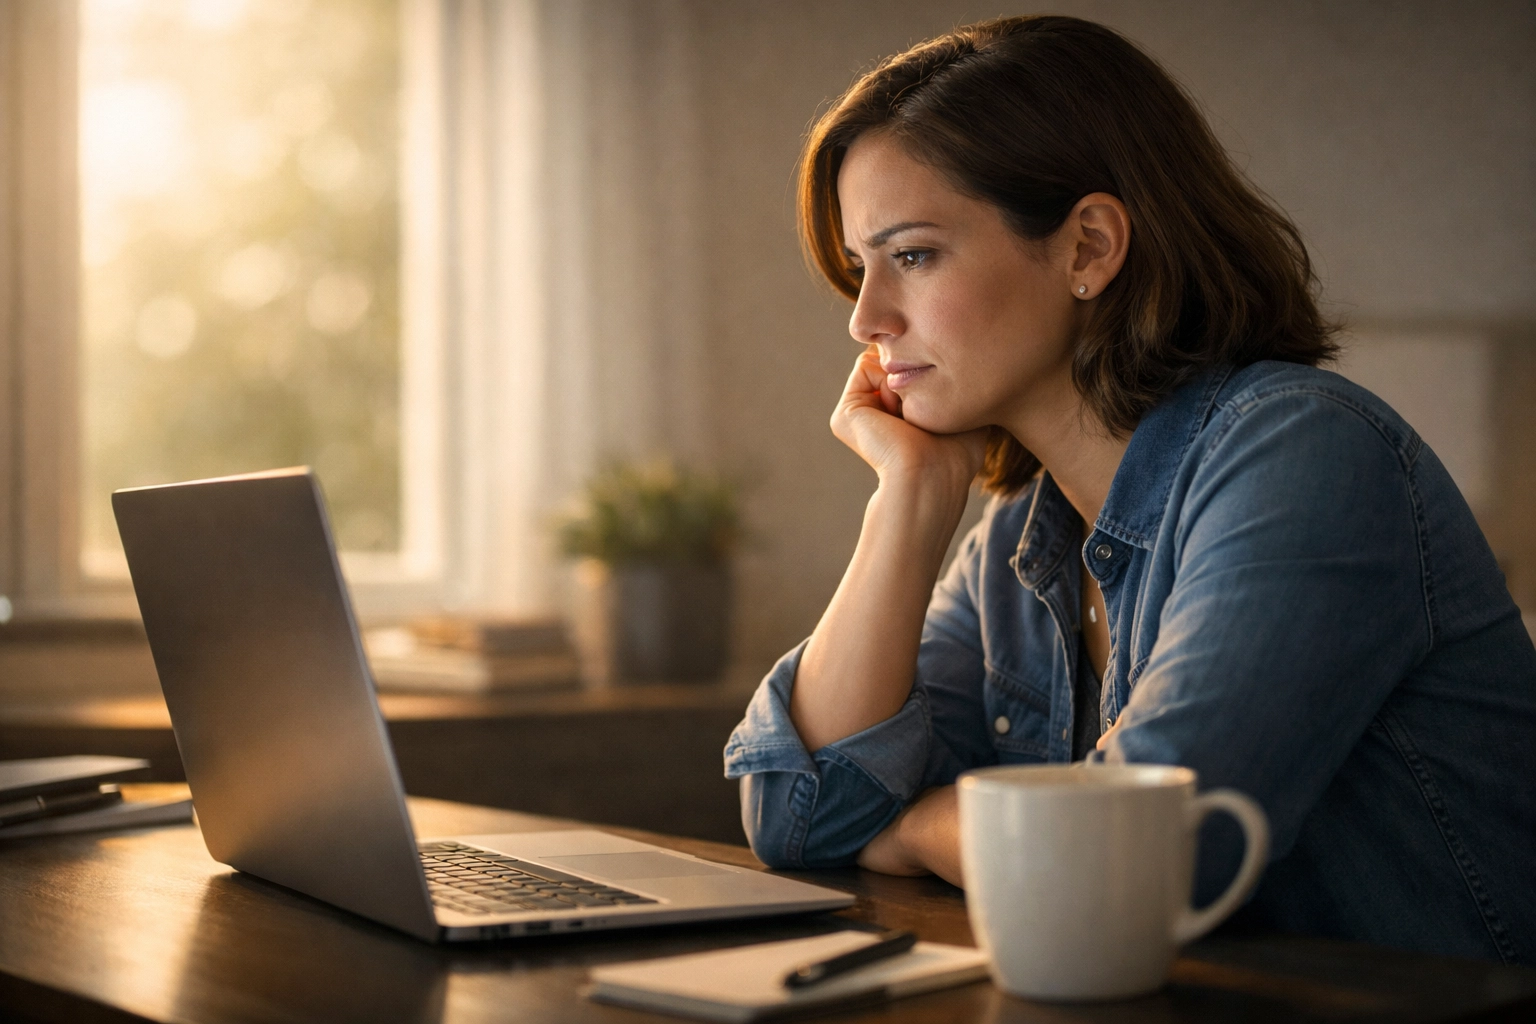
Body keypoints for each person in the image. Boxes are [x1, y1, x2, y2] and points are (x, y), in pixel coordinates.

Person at [723, 15, 1536, 965]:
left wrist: (907, 831)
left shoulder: (1305, 452)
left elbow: (1145, 854)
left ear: (1088, 248)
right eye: (862, 269)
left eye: (912, 256)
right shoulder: (1017, 541)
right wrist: (906, 499)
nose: (867, 319)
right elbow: (799, 812)